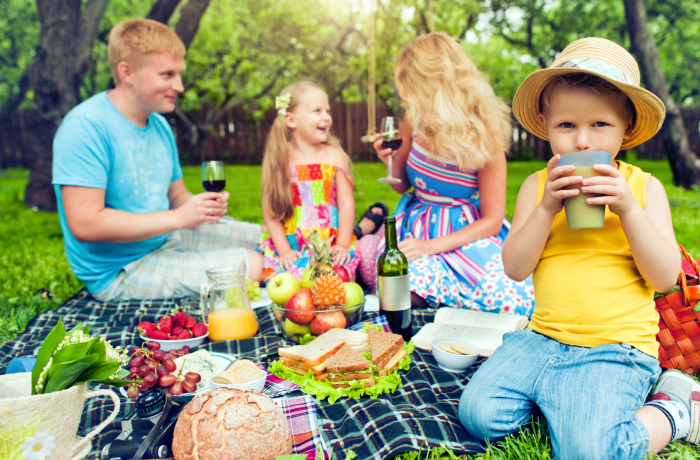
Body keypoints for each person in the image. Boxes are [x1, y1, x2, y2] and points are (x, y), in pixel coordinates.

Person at [459, 37, 700, 459]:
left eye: (600, 125)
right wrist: (547, 207)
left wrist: (627, 208)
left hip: (615, 347)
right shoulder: (537, 186)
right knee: (479, 414)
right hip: (542, 339)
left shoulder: (644, 188)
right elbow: (515, 268)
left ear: (626, 127)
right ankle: (567, 402)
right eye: (567, 126)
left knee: (588, 451)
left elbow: (664, 278)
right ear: (545, 122)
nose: (583, 142)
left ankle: (673, 409)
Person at [52, 18, 263, 301]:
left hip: (167, 237)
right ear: (127, 72)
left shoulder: (159, 126)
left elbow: (176, 195)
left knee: (267, 239)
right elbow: (86, 224)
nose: (180, 85)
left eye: (179, 74)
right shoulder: (85, 127)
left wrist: (198, 207)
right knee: (254, 265)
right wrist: (177, 217)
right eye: (167, 75)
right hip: (121, 269)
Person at [371, 32, 534, 315]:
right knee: (402, 293)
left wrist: (429, 247)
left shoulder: (486, 131)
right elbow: (402, 185)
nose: (405, 92)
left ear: (430, 80)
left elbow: (493, 221)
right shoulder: (414, 118)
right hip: (417, 224)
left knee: (514, 301)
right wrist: (391, 159)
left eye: (409, 82)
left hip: (467, 233)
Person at [257, 81, 362, 283]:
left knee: (338, 283)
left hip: (329, 244)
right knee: (290, 289)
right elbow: (270, 212)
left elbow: (346, 204)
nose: (327, 118)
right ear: (291, 120)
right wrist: (284, 251)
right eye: (317, 111)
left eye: (328, 111)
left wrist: (341, 244)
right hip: (293, 246)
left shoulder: (334, 155)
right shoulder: (279, 158)